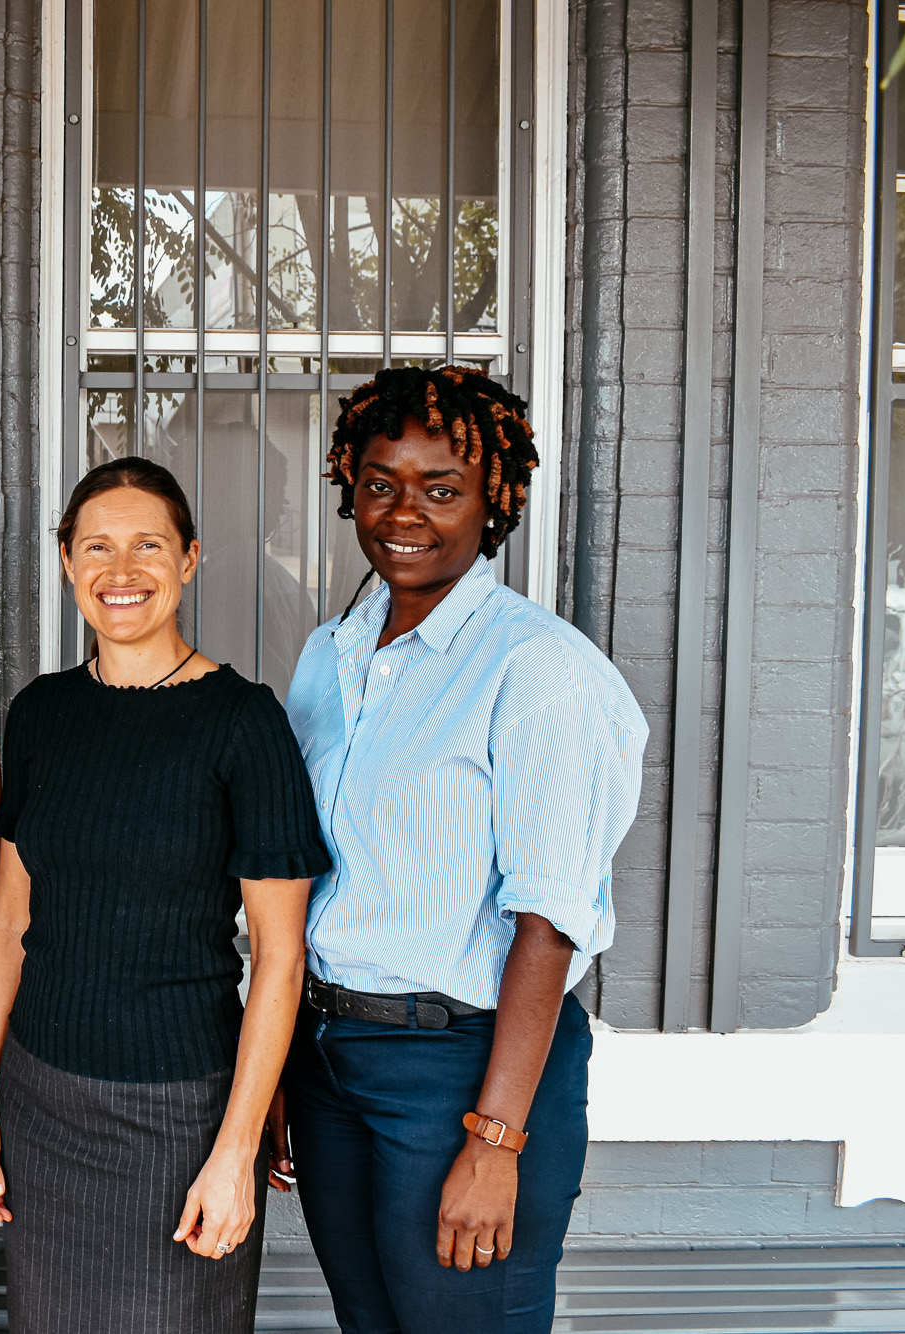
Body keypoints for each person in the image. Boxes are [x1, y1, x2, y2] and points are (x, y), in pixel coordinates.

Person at [275, 364, 648, 1334]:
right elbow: (309, 874)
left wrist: (496, 1138)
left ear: (494, 502)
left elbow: (550, 916)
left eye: (442, 488)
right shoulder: (331, 650)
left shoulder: (539, 671)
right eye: (379, 482)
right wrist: (278, 1060)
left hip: (460, 1068)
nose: (405, 511)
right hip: (326, 1054)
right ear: (347, 486)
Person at [0, 456, 331, 1334]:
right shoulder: (44, 711)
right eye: (97, 547)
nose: (121, 572)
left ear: (191, 559)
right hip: (42, 1101)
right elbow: (12, 922)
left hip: (180, 1113)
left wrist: (235, 1150)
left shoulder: (243, 722)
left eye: (149, 546)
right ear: (67, 562)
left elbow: (281, 956)